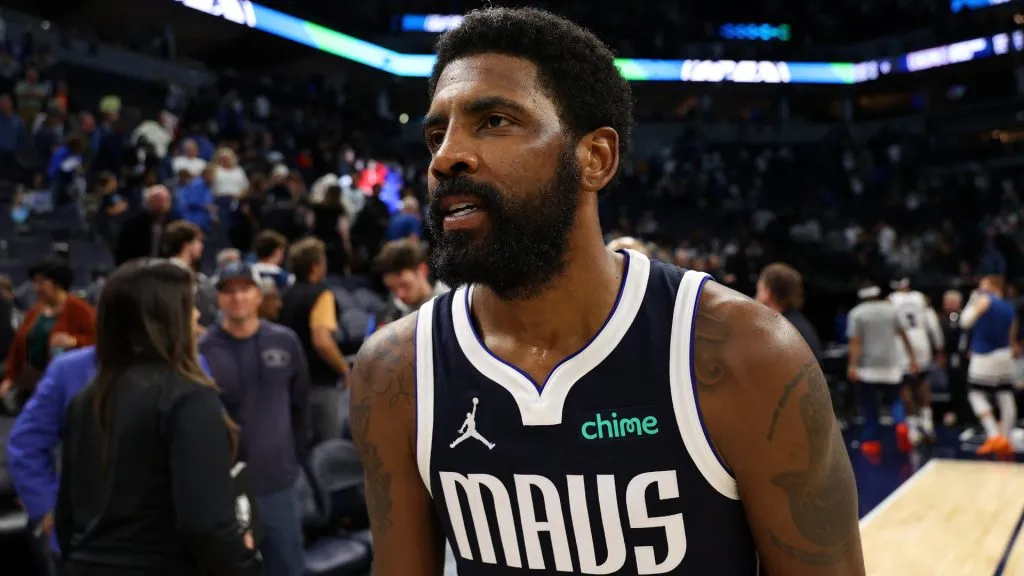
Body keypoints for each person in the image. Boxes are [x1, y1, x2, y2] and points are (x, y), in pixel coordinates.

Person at [350, 8, 865, 576]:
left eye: (494, 121)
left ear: (594, 158)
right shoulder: (395, 371)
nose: (446, 157)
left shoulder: (746, 353)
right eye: (435, 135)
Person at [54, 259, 263, 575]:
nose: (197, 316)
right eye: (189, 307)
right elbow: (205, 525)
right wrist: (245, 564)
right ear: (166, 319)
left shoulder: (86, 399)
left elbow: (67, 518)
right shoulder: (189, 397)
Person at [7, 304, 212, 562]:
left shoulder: (193, 367)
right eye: (188, 306)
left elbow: (205, 455)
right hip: (89, 537)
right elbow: (25, 443)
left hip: (169, 536)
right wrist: (46, 506)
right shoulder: (69, 370)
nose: (197, 314)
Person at [200, 261, 309, 576]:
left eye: (245, 289)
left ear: (259, 295)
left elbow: (300, 404)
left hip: (278, 482)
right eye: (229, 291)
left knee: (289, 567)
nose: (237, 297)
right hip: (227, 488)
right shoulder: (202, 351)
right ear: (218, 298)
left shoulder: (285, 341)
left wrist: (294, 460)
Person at [278, 237, 350, 443]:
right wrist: (344, 369)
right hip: (320, 385)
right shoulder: (322, 294)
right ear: (316, 266)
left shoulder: (285, 295)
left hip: (290, 383)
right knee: (328, 446)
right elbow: (322, 340)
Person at [1, 257, 95, 405]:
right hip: (30, 386)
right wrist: (9, 378)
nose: (35, 288)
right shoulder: (35, 311)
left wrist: (74, 341)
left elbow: (98, 341)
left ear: (57, 283)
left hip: (64, 388)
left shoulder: (80, 309)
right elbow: (17, 346)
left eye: (40, 283)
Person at [847, 284, 918, 456]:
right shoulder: (891, 310)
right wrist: (912, 358)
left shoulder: (856, 313)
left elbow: (855, 342)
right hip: (891, 364)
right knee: (895, 399)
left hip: (867, 366)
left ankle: (871, 441)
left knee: (870, 404)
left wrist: (852, 365)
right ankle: (901, 424)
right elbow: (904, 335)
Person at [960, 274, 1018, 457]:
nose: (980, 287)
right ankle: (1006, 438)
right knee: (1005, 394)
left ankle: (993, 435)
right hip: (1005, 354)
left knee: (975, 393)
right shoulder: (1009, 307)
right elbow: (1012, 335)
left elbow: (965, 322)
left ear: (992, 286)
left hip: (984, 355)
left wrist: (972, 302)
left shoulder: (985, 300)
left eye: (983, 284)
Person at [888, 278, 944, 445]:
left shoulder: (891, 300)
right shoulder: (920, 297)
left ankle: (913, 429)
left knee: (906, 386)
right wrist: (939, 346)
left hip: (901, 345)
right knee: (923, 383)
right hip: (922, 342)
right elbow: (933, 323)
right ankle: (927, 424)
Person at [370, 238, 449, 334]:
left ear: (422, 270)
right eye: (392, 288)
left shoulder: (452, 304)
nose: (400, 295)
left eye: (405, 285)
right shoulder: (388, 316)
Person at [756, 262, 823, 364]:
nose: (755, 298)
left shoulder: (778, 331)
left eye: (759, 290)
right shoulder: (798, 323)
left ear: (767, 293)